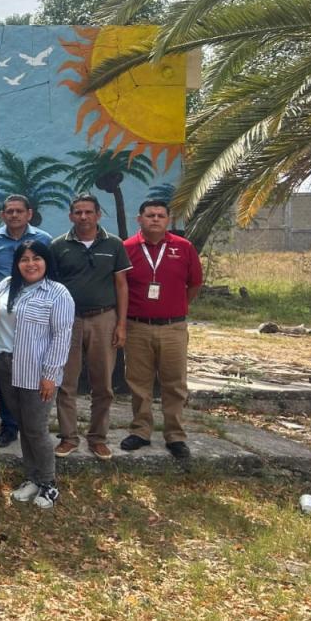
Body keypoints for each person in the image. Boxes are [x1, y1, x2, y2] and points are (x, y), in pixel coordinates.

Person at [49, 194, 131, 460]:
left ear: (98, 214)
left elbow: (122, 285)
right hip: (68, 320)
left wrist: (121, 324)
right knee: (66, 382)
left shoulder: (114, 244)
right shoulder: (58, 246)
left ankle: (98, 438)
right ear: (71, 216)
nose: (83, 217)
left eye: (88, 212)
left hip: (104, 318)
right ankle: (68, 437)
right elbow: (52, 286)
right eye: (78, 212)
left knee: (103, 384)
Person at [0, 241, 74, 509]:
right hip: (5, 365)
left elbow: (61, 336)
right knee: (23, 425)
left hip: (37, 370)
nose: (30, 264)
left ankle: (49, 483)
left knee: (36, 429)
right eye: (24, 259)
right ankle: (32, 477)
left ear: (46, 261)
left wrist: (51, 374)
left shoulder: (58, 293)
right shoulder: (6, 286)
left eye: (36, 258)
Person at [121, 199, 203, 460]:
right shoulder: (127, 248)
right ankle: (141, 430)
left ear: (168, 220)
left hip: (173, 328)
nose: (155, 219)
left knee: (174, 383)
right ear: (139, 219)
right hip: (137, 327)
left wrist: (177, 307)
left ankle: (175, 435)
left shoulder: (183, 247)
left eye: (160, 215)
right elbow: (120, 287)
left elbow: (195, 283)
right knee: (139, 383)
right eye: (149, 215)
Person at [0, 194, 52, 447]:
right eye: (9, 211)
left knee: (33, 373)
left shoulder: (44, 239)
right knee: (5, 375)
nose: (14, 215)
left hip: (36, 312)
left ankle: (34, 427)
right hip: (5, 312)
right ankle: (9, 427)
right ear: (2, 215)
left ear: (29, 213)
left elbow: (51, 273)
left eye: (19, 211)